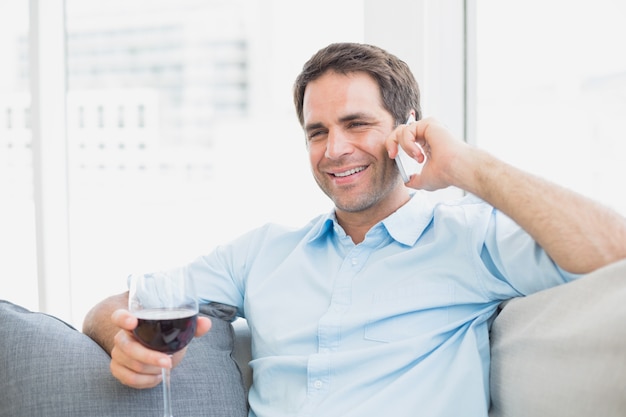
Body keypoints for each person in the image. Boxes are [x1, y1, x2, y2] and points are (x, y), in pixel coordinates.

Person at [83, 42, 626, 417]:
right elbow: (117, 304)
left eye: (357, 124)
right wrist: (120, 335)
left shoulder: (470, 238)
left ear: (407, 125)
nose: (335, 149)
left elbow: (612, 246)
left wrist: (466, 166)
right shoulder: (262, 252)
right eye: (317, 132)